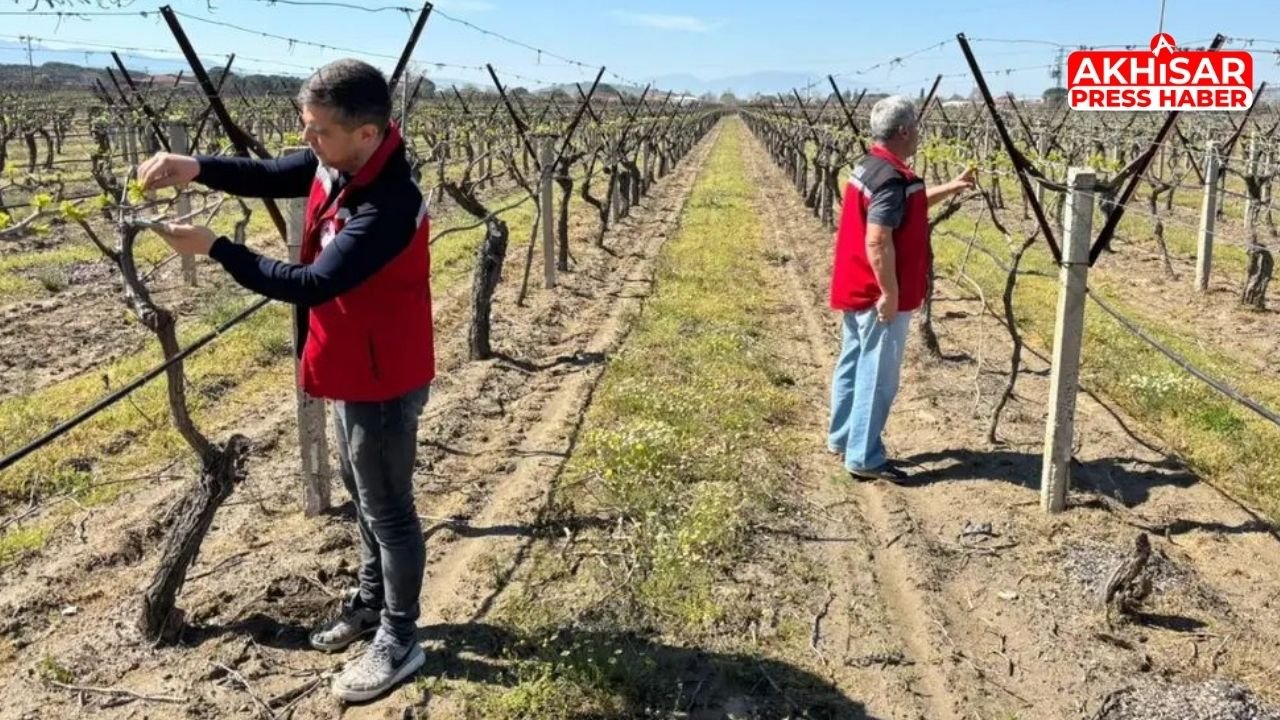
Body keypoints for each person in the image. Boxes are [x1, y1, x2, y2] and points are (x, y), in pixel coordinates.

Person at [138, 58, 433, 703]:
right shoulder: (345, 163)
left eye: (318, 131)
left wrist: (216, 248)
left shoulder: (387, 202)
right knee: (362, 489)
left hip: (382, 376)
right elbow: (272, 173)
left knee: (388, 507)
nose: (308, 142)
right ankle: (368, 600)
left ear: (365, 132)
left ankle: (400, 636)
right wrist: (196, 166)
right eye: (306, 127)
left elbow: (312, 283)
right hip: (352, 360)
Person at [827, 95, 974, 481]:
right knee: (878, 376)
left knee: (853, 364)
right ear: (905, 130)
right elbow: (878, 239)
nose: (919, 135)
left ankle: (842, 438)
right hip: (878, 295)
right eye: (917, 128)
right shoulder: (892, 178)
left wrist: (952, 187)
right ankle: (864, 458)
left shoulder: (870, 167)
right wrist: (889, 293)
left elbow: (904, 206)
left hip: (856, 286)